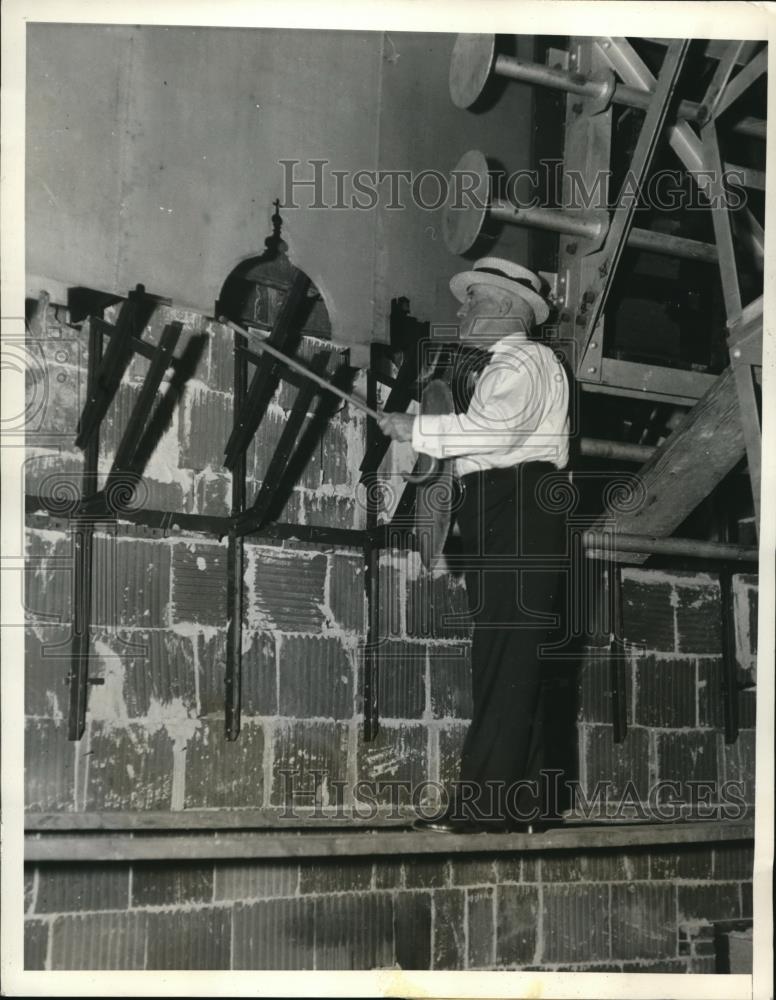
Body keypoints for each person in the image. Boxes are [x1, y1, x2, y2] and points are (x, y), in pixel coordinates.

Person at [378, 256, 570, 832]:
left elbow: (495, 432)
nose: (462, 310)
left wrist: (414, 429)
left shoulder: (526, 359)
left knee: (503, 659)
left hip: (520, 506)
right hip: (508, 509)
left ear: (509, 308)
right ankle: (529, 804)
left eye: (475, 299)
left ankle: (485, 807)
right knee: (516, 659)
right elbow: (481, 447)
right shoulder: (508, 366)